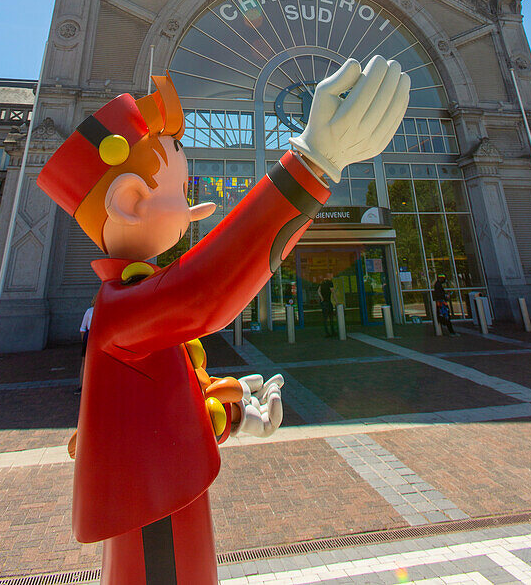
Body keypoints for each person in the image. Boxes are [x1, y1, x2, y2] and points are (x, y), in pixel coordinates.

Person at [37, 55, 410, 585]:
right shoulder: (125, 307)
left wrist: (232, 415)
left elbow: (157, 405)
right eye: (181, 192)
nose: (194, 206)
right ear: (131, 201)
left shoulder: (132, 299)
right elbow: (206, 291)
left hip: (168, 488)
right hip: (152, 506)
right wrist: (311, 161)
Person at [75, 300, 95, 394]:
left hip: (94, 337)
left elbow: (82, 328)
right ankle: (82, 386)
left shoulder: (91, 311)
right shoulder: (90, 311)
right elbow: (82, 328)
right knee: (85, 362)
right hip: (90, 337)